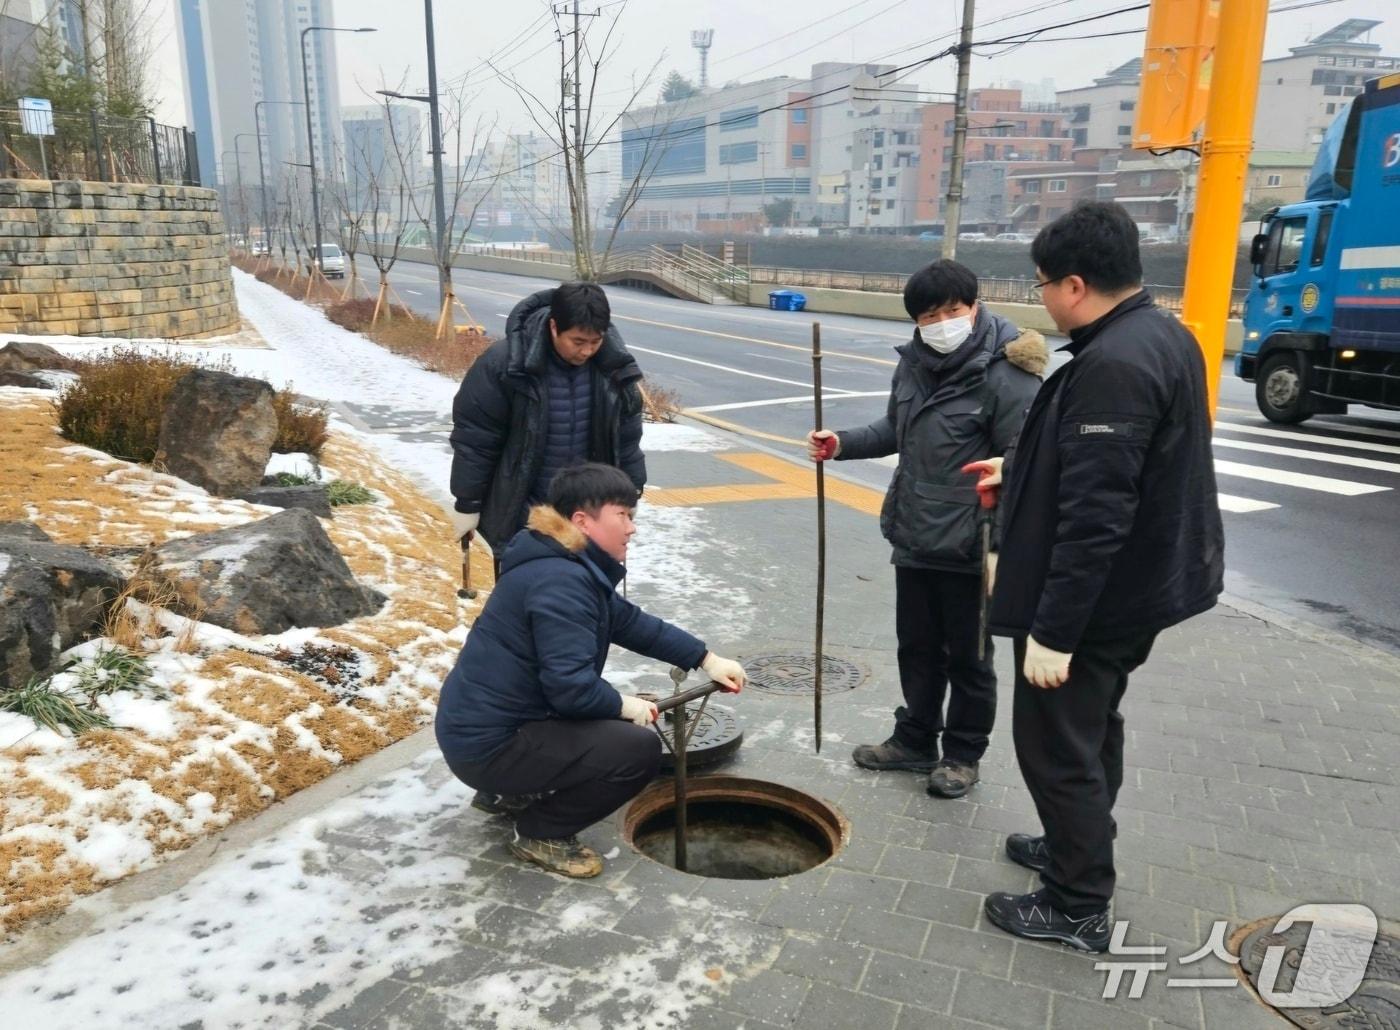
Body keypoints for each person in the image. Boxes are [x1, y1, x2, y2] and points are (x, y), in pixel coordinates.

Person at [980, 201, 1224, 952]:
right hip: (1141, 588)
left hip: (1100, 603)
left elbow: (1097, 518)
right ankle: (1072, 844)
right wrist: (1016, 469)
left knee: (1056, 744)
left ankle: (1077, 903)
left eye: (1045, 282)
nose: (1043, 296)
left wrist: (1053, 633)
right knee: (1092, 728)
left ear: (1077, 284)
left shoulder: (1113, 364)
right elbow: (1116, 466)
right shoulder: (1157, 334)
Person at [435, 462, 748, 879]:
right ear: (582, 520)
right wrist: (625, 707)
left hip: (482, 728)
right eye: (623, 515)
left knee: (609, 720)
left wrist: (705, 659)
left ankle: (503, 792)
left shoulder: (562, 562)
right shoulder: (562, 581)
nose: (632, 528)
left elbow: (631, 622)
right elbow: (570, 690)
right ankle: (540, 832)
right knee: (635, 750)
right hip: (489, 744)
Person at [806, 259, 1047, 799]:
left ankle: (962, 753)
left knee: (969, 658)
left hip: (974, 542)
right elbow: (896, 427)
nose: (941, 323)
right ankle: (915, 739)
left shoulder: (1009, 374)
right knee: (916, 647)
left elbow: (1026, 464)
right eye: (928, 315)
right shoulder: (914, 364)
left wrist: (1003, 547)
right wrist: (842, 443)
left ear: (975, 306)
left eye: (952, 310)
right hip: (915, 533)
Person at [448, 282, 646, 557]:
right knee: (527, 594)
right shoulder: (505, 364)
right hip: (524, 514)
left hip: (589, 516)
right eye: (578, 341)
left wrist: (630, 489)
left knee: (585, 596)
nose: (587, 351)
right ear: (554, 327)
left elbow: (626, 436)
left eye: (595, 341)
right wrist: (468, 502)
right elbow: (476, 439)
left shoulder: (612, 366)